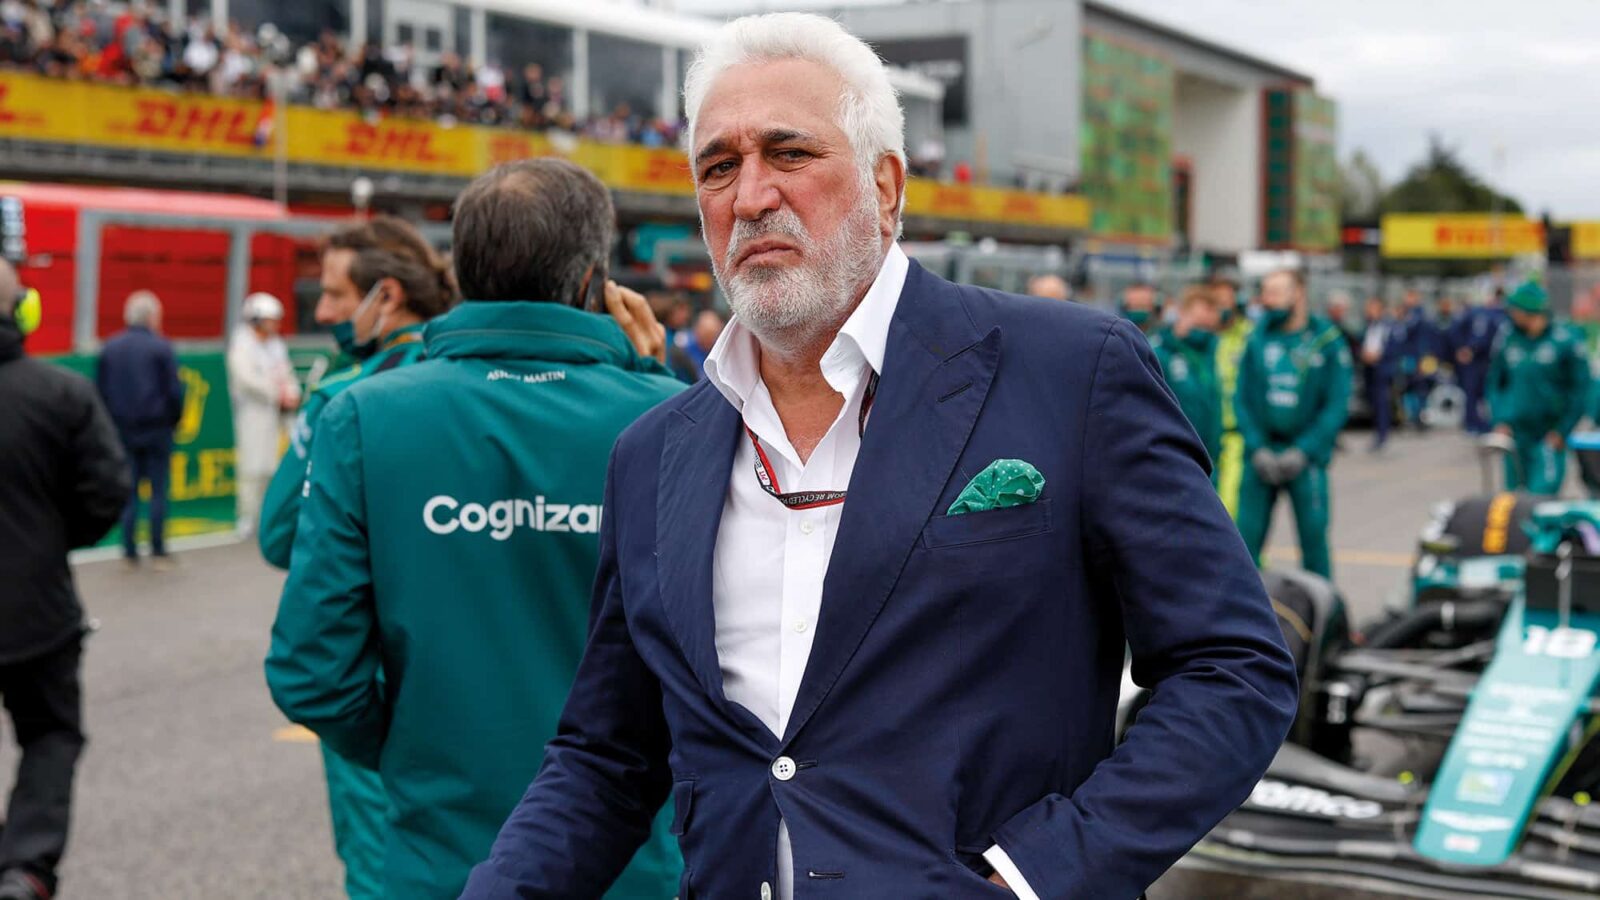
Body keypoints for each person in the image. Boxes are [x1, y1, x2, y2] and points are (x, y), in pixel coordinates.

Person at [462, 14, 1296, 900]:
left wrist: (1035, 876)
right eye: (719, 167)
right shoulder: (653, 453)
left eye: (789, 153)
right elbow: (608, 758)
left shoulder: (1072, 371)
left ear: (886, 185)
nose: (751, 196)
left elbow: (1232, 670)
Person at [266, 159, 686, 899]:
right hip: (629, 863)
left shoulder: (363, 415)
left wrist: (415, 751)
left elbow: (312, 673)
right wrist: (657, 383)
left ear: (463, 273)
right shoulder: (671, 420)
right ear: (594, 283)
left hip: (440, 859)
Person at [257, 216, 459, 900]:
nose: (322, 313)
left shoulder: (346, 397)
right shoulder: (500, 377)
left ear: (388, 295)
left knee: (385, 865)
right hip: (502, 679)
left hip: (381, 677)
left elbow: (278, 533)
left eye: (335, 294)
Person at [0, 260, 129, 900]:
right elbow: (106, 492)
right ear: (22, 310)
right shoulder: (61, 394)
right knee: (50, 735)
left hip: (37, 605)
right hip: (37, 608)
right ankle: (26, 868)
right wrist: (50, 541)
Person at [1235, 268, 1352, 579]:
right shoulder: (1257, 338)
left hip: (1305, 459)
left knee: (1314, 542)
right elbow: (1241, 398)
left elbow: (1337, 404)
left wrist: (1304, 450)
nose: (1267, 300)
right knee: (1243, 544)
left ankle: (1323, 607)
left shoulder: (1327, 340)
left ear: (1298, 293)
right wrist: (1257, 447)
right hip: (1261, 456)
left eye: (1275, 293)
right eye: (1265, 292)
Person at [95, 290, 183, 570]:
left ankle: (129, 551)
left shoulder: (110, 348)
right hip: (157, 429)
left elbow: (100, 392)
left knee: (129, 491)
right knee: (158, 490)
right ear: (152, 317)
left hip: (122, 430)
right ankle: (158, 551)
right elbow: (174, 392)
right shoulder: (161, 347)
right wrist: (173, 421)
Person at [1487, 281, 1590, 494]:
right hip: (1516, 434)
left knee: (1541, 498)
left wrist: (1563, 430)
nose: (1511, 314)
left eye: (1515, 309)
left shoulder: (1565, 341)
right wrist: (1500, 419)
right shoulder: (1509, 339)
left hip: (1548, 434)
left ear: (1529, 311)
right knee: (1513, 500)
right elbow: (1495, 382)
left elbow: (1581, 389)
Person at [227, 292, 299, 537]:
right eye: (269, 320)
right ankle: (247, 516)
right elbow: (246, 379)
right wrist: (276, 393)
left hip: (279, 415)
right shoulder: (242, 344)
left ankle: (269, 517)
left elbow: (286, 372)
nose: (274, 325)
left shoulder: (276, 345)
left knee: (274, 468)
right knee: (253, 468)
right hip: (254, 414)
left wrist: (291, 392)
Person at [1148, 284, 1223, 475]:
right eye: (1198, 324)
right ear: (1182, 313)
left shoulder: (1215, 353)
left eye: (1207, 327)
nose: (1202, 331)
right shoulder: (1159, 352)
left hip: (1210, 460)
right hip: (1171, 459)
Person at [1213, 270, 1254, 518]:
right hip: (1205, 433)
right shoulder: (1202, 337)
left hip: (1236, 434)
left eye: (1225, 301)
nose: (1221, 307)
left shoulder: (1250, 337)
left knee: (1229, 506)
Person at [1455, 288, 1506, 434]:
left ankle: (1486, 424)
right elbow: (1456, 330)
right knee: (1472, 392)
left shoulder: (1500, 314)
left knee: (1488, 393)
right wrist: (1463, 348)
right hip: (1476, 359)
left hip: (1491, 360)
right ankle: (1473, 424)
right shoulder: (1476, 313)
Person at [1360, 295, 1400, 450]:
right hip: (1369, 369)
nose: (1369, 311)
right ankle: (1377, 433)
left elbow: (1393, 347)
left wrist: (1378, 355)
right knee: (1373, 403)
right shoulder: (1368, 326)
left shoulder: (1389, 326)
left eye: (1372, 308)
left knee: (1382, 402)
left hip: (1381, 369)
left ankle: (1382, 435)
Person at [1394, 287, 1437, 429]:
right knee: (1407, 387)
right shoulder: (1409, 314)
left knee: (1418, 386)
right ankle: (1411, 416)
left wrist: (1422, 359)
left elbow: (1420, 339)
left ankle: (1419, 417)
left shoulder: (1418, 315)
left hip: (1416, 358)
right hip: (1407, 357)